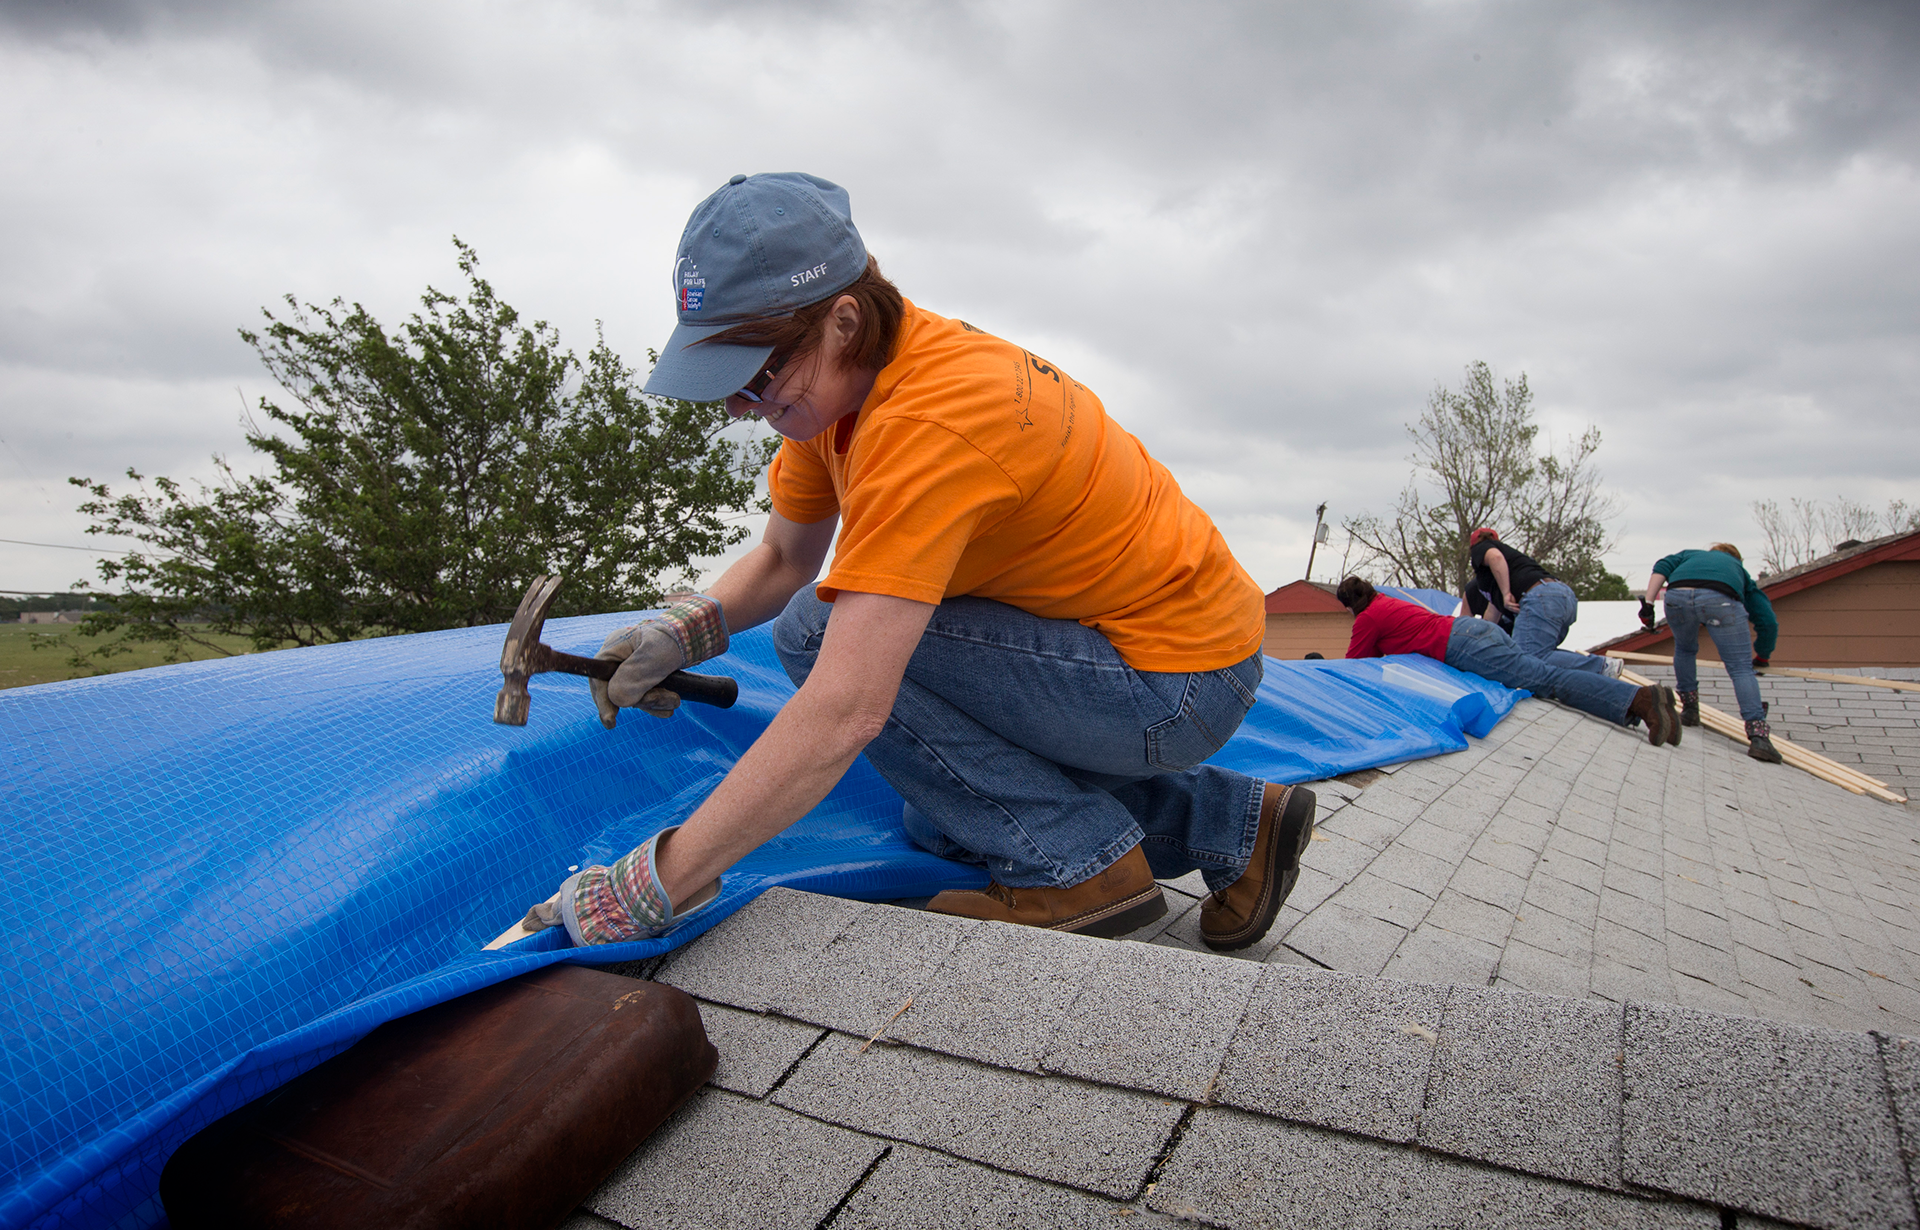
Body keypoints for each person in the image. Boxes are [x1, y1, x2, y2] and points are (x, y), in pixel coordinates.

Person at [520, 172, 1316, 953]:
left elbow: (846, 710)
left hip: (1174, 684)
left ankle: (1081, 870)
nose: (738, 407)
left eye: (753, 376)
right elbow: (782, 555)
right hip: (1130, 651)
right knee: (939, 815)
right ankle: (1236, 826)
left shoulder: (930, 424)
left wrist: (658, 883)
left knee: (815, 637)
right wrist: (685, 630)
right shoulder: (831, 401)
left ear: (841, 320)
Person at [1339, 575, 1680, 746]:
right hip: (1474, 630)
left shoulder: (1369, 617)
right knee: (1544, 669)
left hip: (1463, 645)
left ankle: (1640, 699)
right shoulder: (1387, 602)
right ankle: (1639, 704)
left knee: (1546, 680)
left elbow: (1354, 665)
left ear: (1351, 604)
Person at [1643, 543, 1782, 763]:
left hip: (1677, 595)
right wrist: (1763, 656)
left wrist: (1648, 604)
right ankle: (1759, 738)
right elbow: (1767, 621)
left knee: (1685, 648)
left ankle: (1689, 710)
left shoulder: (1689, 555)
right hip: (1721, 598)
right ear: (1736, 559)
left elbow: (1662, 566)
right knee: (1740, 667)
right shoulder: (1738, 570)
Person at [1467, 528, 1614, 677]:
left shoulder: (1482, 548)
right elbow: (1492, 613)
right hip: (1562, 596)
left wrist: (1506, 594)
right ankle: (1593, 676)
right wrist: (1482, 642)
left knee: (1525, 657)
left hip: (1541, 597)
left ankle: (1601, 666)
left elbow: (1496, 558)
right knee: (1542, 655)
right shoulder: (1504, 570)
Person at [1461, 576, 1623, 676]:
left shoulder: (1505, 581)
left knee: (1530, 657)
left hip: (1548, 607)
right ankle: (1598, 669)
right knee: (1541, 656)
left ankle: (1600, 666)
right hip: (1563, 602)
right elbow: (1463, 625)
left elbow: (1489, 623)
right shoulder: (1474, 589)